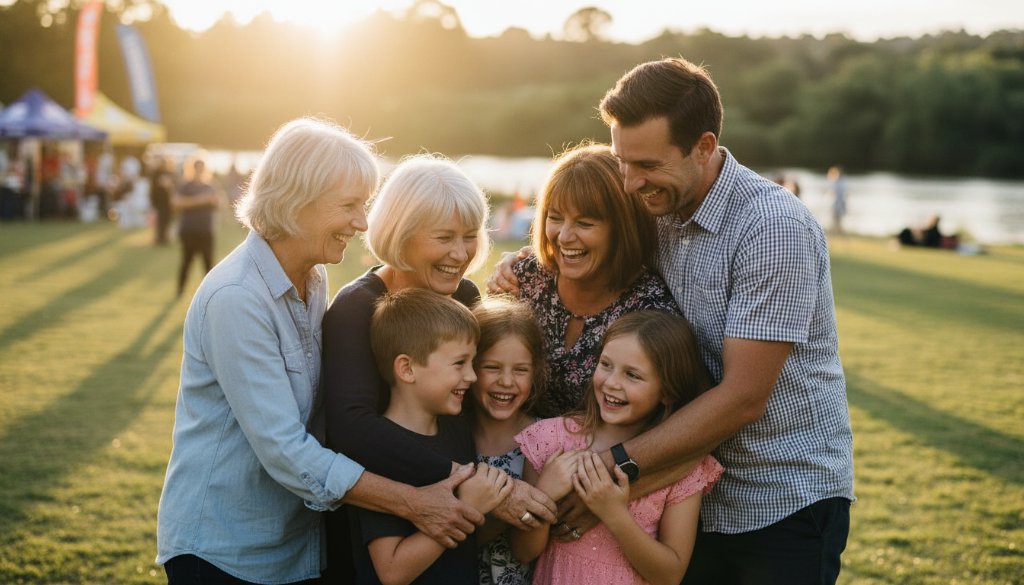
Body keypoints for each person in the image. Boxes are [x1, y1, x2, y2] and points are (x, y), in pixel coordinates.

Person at [490, 57, 855, 584]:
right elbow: (590, 238)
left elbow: (744, 397)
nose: (631, 182)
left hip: (779, 496)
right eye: (624, 161)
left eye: (648, 165)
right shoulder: (659, 206)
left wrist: (609, 480)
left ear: (703, 147)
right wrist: (523, 264)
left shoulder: (772, 229)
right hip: (685, 488)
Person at [156, 118, 484, 585]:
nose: (362, 222)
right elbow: (286, 451)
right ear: (296, 202)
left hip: (295, 546)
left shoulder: (311, 278)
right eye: (349, 206)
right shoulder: (237, 298)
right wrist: (413, 502)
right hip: (224, 551)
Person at [321, 154, 558, 581]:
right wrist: (469, 479)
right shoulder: (356, 309)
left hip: (461, 532)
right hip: (386, 522)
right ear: (401, 233)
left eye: (469, 236)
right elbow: (351, 428)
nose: (461, 253)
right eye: (444, 237)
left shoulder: (463, 297)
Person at [511, 311, 723, 584]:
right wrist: (544, 496)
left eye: (632, 375)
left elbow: (670, 574)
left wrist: (614, 514)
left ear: (668, 391)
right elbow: (524, 552)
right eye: (606, 365)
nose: (611, 382)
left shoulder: (680, 465)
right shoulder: (551, 440)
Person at [350, 288, 513, 584]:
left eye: (473, 363)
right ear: (407, 368)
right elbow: (392, 571)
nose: (472, 376)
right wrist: (467, 508)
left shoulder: (456, 428)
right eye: (459, 363)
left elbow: (469, 536)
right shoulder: (379, 453)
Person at [509, 142, 681, 418]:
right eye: (555, 218)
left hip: (596, 458)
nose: (564, 236)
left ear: (623, 228)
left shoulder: (651, 310)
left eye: (585, 223)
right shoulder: (524, 278)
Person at [468, 295, 550, 585]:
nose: (506, 381)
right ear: (469, 366)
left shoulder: (544, 439)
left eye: (520, 370)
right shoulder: (451, 437)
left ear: (535, 371)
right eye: (491, 367)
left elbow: (527, 551)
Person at [173, 158, 220, 297]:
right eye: (197, 168)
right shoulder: (185, 186)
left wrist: (214, 200)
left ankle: (212, 293)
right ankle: (180, 291)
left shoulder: (210, 186)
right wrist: (200, 200)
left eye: (201, 168)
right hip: (189, 230)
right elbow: (176, 202)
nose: (199, 171)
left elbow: (218, 203)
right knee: (186, 262)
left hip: (206, 231)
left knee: (208, 264)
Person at [148, 155, 175, 245]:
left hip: (167, 200)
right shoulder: (155, 174)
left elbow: (170, 185)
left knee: (166, 219)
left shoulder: (169, 173)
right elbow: (154, 187)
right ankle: (159, 238)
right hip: (158, 200)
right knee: (159, 220)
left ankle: (165, 237)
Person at [826, 165, 847, 236]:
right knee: (837, 222)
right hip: (840, 206)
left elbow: (833, 196)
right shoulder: (842, 183)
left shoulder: (837, 184)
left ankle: (838, 235)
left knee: (836, 222)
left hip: (837, 206)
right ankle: (839, 234)